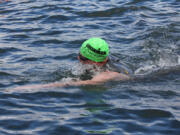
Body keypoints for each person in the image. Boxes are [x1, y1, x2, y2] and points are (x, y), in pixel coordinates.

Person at [9, 37, 130, 91]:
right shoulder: (104, 56)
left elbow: (70, 84)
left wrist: (31, 88)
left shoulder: (106, 75)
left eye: (83, 58)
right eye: (80, 55)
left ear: (98, 61)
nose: (78, 58)